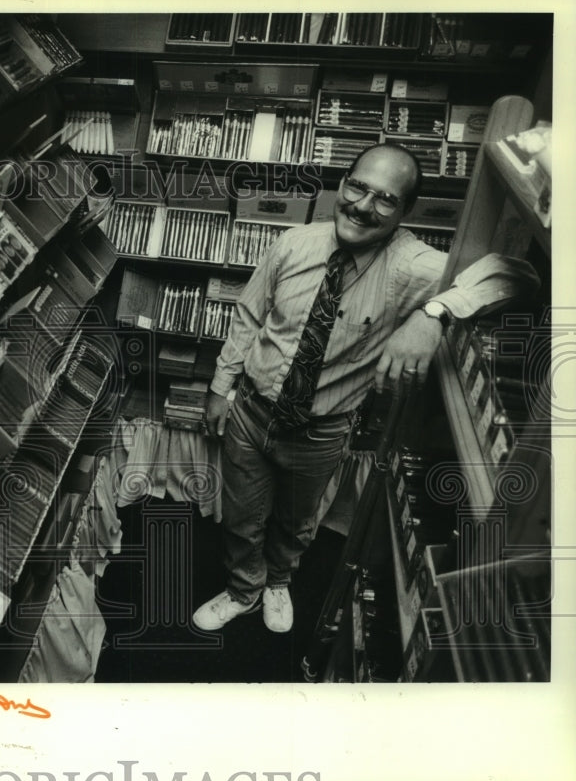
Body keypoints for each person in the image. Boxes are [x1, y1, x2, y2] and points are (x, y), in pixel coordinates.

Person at [194, 143, 539, 634]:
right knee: (241, 517)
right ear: (342, 184)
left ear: (404, 212)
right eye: (357, 187)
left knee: (295, 524)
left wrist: (433, 314)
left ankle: (277, 582)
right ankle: (243, 590)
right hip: (250, 413)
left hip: (318, 434)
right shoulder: (294, 243)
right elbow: (250, 314)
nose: (362, 205)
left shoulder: (411, 267)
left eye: (385, 198)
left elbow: (518, 277)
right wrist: (219, 386)